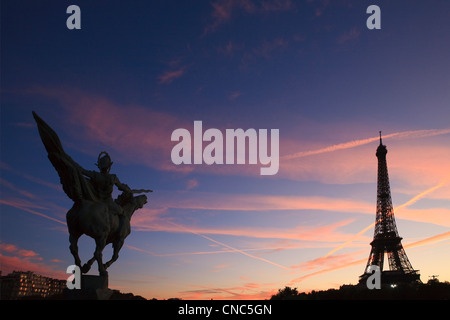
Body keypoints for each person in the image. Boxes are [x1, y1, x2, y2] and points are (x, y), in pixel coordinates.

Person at [82, 152, 131, 216]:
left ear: (99, 166)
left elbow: (82, 171)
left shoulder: (95, 175)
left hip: (96, 200)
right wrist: (128, 190)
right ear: (109, 166)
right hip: (108, 202)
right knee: (122, 213)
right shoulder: (113, 177)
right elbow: (121, 186)